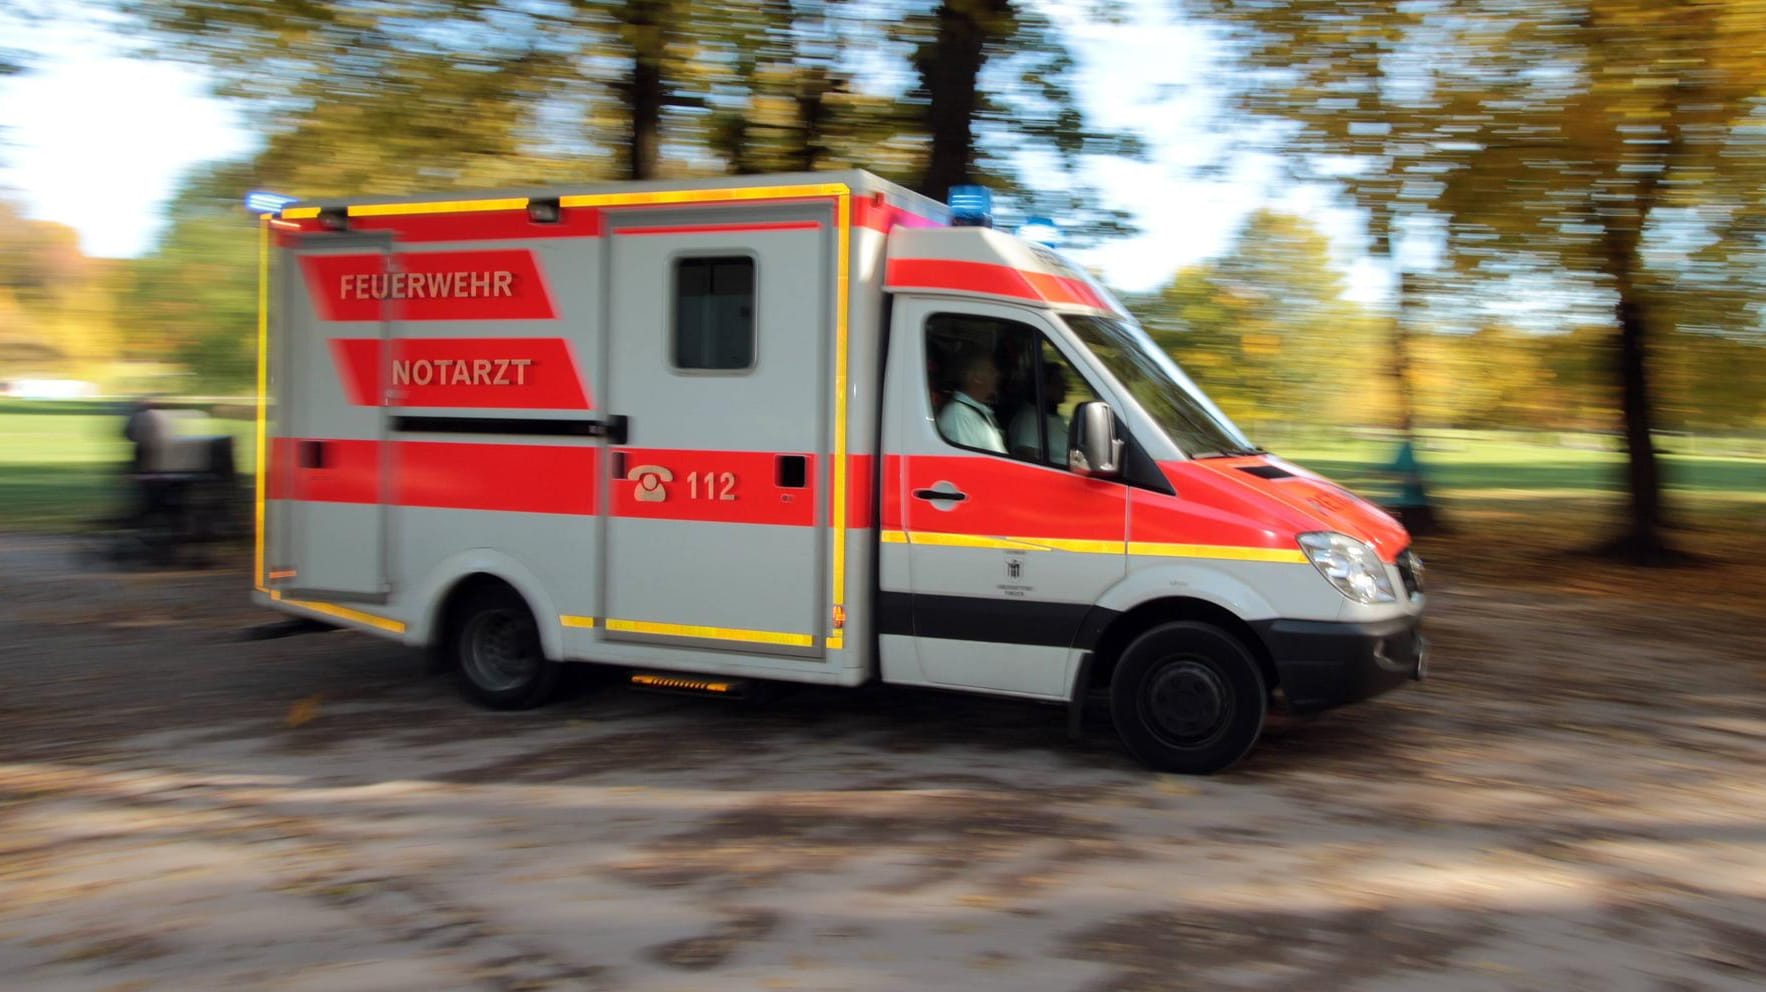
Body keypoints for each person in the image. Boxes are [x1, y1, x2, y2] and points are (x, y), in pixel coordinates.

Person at [936, 351, 1006, 453]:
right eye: (991, 371)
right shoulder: (960, 416)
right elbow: (968, 466)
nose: (997, 375)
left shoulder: (972, 411)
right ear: (977, 377)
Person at [1009, 363, 1070, 462]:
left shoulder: (1051, 416)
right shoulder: (1029, 420)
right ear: (1043, 387)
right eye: (1059, 383)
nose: (1066, 387)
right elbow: (1027, 461)